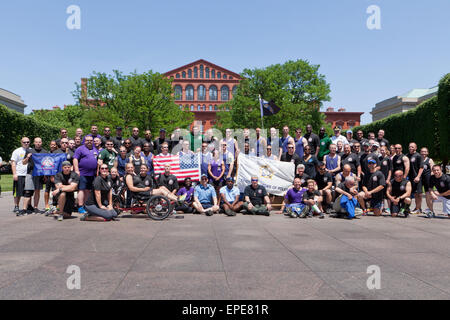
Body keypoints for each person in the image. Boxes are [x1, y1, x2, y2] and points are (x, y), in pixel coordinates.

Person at [73, 135, 99, 214]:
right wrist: (76, 170)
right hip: (82, 173)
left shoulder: (95, 149)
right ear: (84, 141)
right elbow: (75, 159)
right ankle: (80, 207)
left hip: (92, 174)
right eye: (87, 140)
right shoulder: (80, 149)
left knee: (88, 190)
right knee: (81, 190)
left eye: (91, 140)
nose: (89, 142)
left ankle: (86, 206)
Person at [11, 137, 33, 216]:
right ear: (21, 142)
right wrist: (14, 174)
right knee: (18, 192)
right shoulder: (17, 151)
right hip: (20, 174)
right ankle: (16, 206)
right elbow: (13, 163)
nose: (26, 143)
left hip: (29, 174)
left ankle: (28, 206)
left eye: (28, 142)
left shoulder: (32, 150)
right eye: (24, 142)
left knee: (28, 191)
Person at [29, 137, 47, 213]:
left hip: (40, 173)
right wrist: (27, 157)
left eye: (39, 142)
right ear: (34, 143)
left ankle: (35, 207)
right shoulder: (29, 151)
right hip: (31, 172)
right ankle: (28, 206)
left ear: (41, 143)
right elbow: (23, 162)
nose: (38, 143)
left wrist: (46, 175)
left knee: (37, 191)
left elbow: (47, 164)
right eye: (36, 142)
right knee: (29, 191)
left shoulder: (45, 152)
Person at [407, 142, 424, 214]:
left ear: (416, 148)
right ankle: (407, 208)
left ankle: (418, 208)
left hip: (416, 178)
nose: (411, 148)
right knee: (409, 193)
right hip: (409, 178)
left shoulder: (418, 156)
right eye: (410, 147)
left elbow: (421, 167)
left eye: (412, 147)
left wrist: (418, 176)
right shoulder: (407, 155)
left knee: (418, 194)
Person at [420, 147, 435, 216]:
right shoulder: (419, 159)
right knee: (419, 194)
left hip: (428, 179)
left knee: (427, 195)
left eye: (425, 152)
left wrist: (431, 179)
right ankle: (418, 208)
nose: (423, 153)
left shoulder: (430, 160)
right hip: (420, 179)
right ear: (420, 152)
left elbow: (433, 170)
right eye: (422, 151)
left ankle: (431, 210)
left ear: (427, 153)